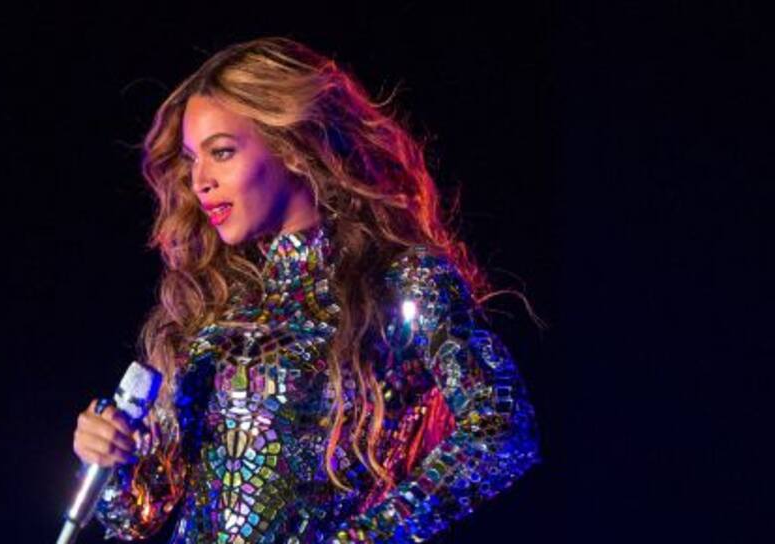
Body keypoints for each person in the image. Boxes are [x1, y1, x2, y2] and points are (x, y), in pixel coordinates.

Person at [72, 36, 541, 543]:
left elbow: (503, 431)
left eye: (222, 152)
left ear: (292, 145)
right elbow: (133, 519)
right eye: (191, 159)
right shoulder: (213, 304)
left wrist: (363, 537)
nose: (199, 180)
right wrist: (112, 456)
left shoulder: (400, 280)